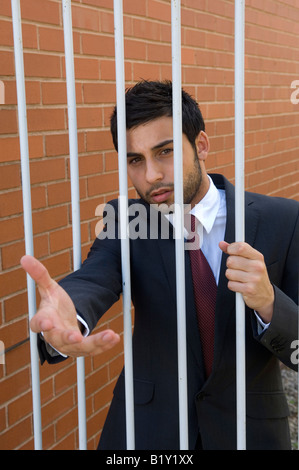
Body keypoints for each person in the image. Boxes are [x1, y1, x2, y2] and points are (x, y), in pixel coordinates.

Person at [21, 80, 299, 450]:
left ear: (200, 145)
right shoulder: (125, 220)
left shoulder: (282, 219)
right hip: (149, 431)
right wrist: (70, 315)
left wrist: (268, 303)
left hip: (250, 432)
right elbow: (96, 276)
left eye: (164, 152)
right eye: (135, 160)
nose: (150, 175)